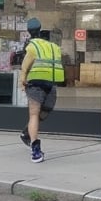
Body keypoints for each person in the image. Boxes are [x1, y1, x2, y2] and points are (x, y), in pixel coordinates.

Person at [18, 18, 65, 163]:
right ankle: (35, 149)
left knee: (43, 113)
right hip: (37, 85)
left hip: (48, 84)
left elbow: (24, 67)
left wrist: (21, 81)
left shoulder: (35, 47)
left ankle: (27, 133)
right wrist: (24, 82)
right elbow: (26, 67)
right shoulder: (49, 47)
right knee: (35, 114)